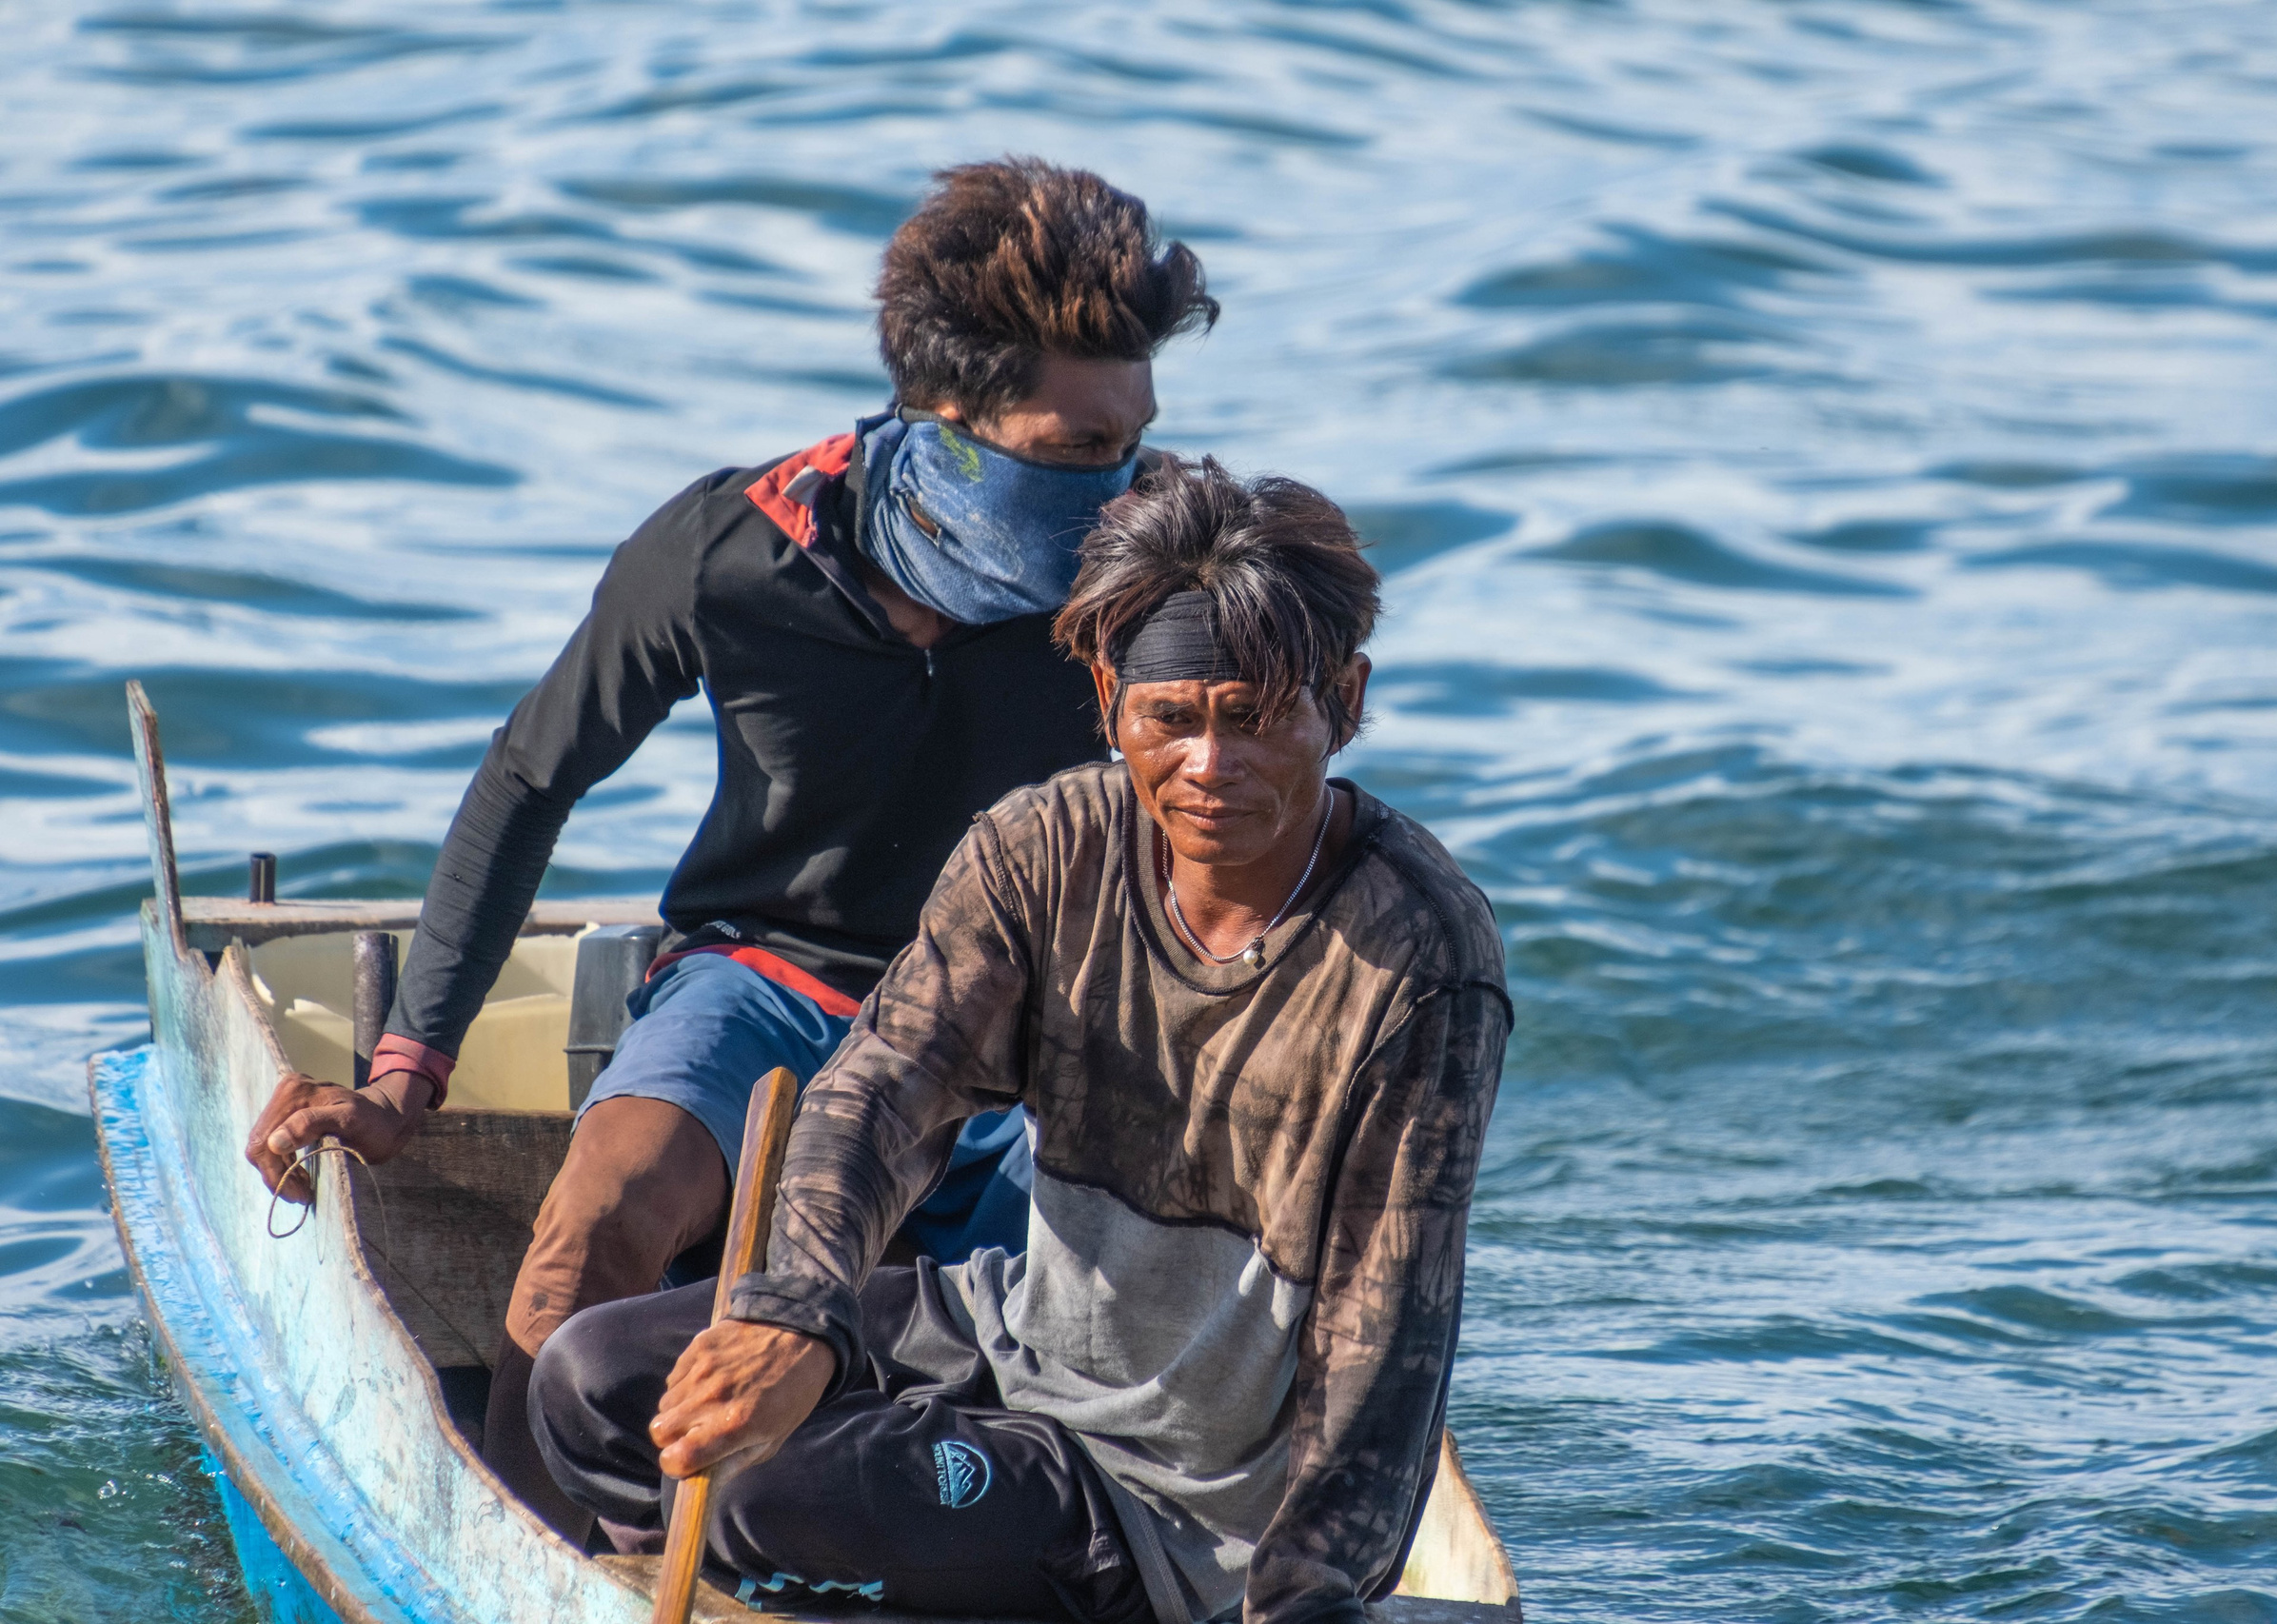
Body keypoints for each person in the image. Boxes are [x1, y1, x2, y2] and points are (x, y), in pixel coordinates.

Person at [238, 158, 1219, 1533]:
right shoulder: (731, 551)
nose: (1119, 488)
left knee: (1091, 1340)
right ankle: (534, 1556)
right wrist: (405, 1077)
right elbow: (528, 781)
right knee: (583, 1243)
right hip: (770, 987)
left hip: (1026, 1029)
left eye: (1135, 439)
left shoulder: (1169, 559)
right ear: (937, 425)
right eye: (1070, 456)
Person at [530, 461, 1513, 1624]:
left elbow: (1385, 1329)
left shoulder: (1420, 955)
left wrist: (1301, 1596)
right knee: (588, 1382)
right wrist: (795, 1310)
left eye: (1254, 717)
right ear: (1108, 700)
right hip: (1009, 1332)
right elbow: (876, 1099)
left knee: (763, 1500)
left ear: (1341, 703)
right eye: (1171, 718)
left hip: (1170, 1504)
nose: (1209, 765)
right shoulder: (1040, 850)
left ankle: (912, 1554)